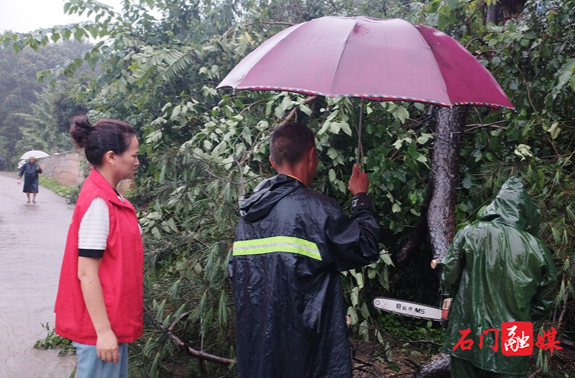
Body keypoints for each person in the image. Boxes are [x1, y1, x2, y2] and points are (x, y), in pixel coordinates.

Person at [228, 122, 380, 378]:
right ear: (312, 155)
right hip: (308, 358)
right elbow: (365, 246)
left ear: (273, 162)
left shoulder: (248, 219)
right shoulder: (316, 209)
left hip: (258, 358)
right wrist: (360, 196)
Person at [440, 176, 557, 378]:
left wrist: (449, 297)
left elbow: (450, 273)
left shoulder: (470, 232)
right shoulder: (538, 248)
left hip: (469, 322)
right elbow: (547, 293)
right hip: (517, 329)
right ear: (526, 212)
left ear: (495, 206)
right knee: (511, 372)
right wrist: (526, 314)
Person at [54, 115, 143, 378]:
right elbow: (86, 272)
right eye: (134, 155)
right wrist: (103, 332)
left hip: (110, 320)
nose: (137, 161)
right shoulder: (99, 203)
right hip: (99, 329)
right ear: (112, 157)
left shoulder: (110, 195)